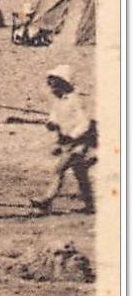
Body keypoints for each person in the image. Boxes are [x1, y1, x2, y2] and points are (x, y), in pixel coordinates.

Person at [31, 65, 96, 215]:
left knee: (58, 170)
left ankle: (46, 200)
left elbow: (84, 123)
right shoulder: (58, 100)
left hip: (79, 143)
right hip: (66, 143)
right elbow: (54, 116)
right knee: (80, 174)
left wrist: (72, 136)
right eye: (50, 83)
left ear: (63, 83)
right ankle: (90, 204)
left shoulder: (75, 100)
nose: (51, 87)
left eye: (54, 83)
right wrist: (51, 123)